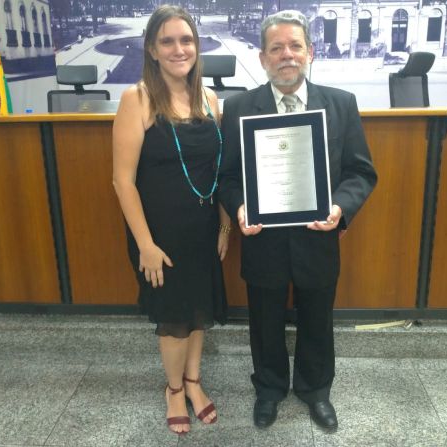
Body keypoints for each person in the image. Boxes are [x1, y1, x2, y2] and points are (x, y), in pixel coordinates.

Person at [219, 10, 377, 432]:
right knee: (264, 320)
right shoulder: (237, 108)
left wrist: (340, 208)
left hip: (319, 236)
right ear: (262, 57)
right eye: (276, 48)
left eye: (295, 46)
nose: (286, 55)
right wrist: (238, 208)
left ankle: (315, 390)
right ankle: (269, 389)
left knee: (317, 318)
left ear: (309, 52)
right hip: (262, 238)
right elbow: (228, 177)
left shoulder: (340, 104)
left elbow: (361, 173)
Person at [112, 5, 230, 435]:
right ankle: (174, 389)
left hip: (203, 229)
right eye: (168, 41)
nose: (179, 49)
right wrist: (145, 243)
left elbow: (217, 173)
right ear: (152, 48)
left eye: (187, 40)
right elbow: (122, 181)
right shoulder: (137, 99)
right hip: (159, 234)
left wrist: (223, 225)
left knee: (198, 311)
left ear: (197, 47)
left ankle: (194, 381)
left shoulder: (210, 99)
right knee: (174, 318)